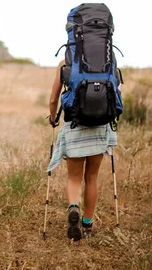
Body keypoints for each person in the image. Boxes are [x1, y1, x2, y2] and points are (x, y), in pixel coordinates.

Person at [48, 59, 118, 241]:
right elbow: (115, 95)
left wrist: (53, 118)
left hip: (75, 125)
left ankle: (73, 206)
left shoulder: (66, 63)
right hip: (100, 126)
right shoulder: (108, 60)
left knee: (74, 177)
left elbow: (53, 98)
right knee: (92, 177)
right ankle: (87, 224)